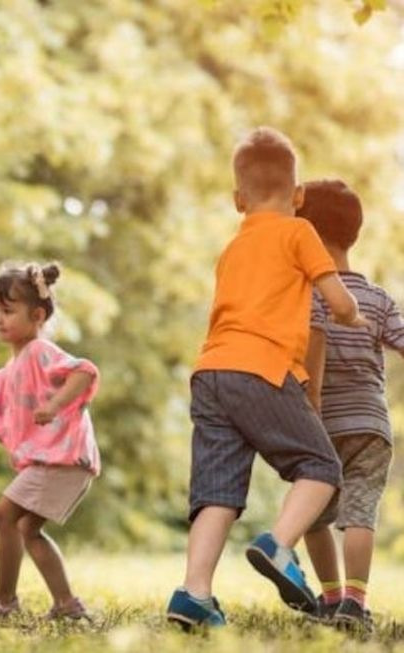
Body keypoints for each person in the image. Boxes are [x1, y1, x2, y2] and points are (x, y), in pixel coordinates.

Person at [165, 127, 366, 629]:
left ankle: (194, 593)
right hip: (263, 369)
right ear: (299, 196)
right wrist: (354, 315)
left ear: (238, 200)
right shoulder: (299, 232)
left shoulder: (233, 249)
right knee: (322, 468)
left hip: (210, 373)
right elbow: (338, 301)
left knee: (216, 492)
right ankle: (279, 545)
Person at [297, 180, 404, 631]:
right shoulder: (378, 298)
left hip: (319, 425)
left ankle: (332, 597)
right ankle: (355, 604)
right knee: (360, 512)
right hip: (370, 427)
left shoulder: (305, 294)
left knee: (313, 517)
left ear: (306, 234)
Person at [0, 263, 99, 620]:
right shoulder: (15, 364)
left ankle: (4, 601)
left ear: (37, 315)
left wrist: (54, 404)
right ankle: (67, 605)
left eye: (7, 311)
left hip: (63, 459)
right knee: (26, 528)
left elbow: (83, 372)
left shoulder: (40, 351)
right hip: (60, 461)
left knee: (3, 517)